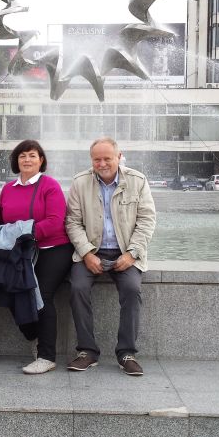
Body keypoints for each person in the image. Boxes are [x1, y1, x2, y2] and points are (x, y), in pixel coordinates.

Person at [0, 139, 72, 374]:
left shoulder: (49, 185)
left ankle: (47, 356)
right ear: (16, 161)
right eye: (22, 156)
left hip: (52, 248)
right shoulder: (8, 189)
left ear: (41, 160)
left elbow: (55, 221)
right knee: (8, 288)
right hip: (20, 250)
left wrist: (26, 234)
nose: (27, 159)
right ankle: (34, 337)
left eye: (32, 155)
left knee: (42, 293)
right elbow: (2, 221)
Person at [65, 137, 156, 376]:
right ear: (91, 160)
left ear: (119, 157)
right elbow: (72, 222)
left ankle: (126, 353)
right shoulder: (80, 182)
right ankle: (87, 351)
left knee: (132, 290)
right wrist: (86, 253)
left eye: (107, 158)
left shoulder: (137, 181)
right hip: (91, 251)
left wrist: (132, 253)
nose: (102, 164)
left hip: (125, 251)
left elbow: (147, 220)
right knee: (77, 288)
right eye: (97, 159)